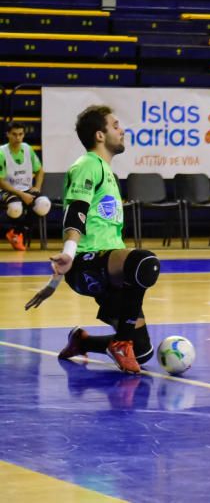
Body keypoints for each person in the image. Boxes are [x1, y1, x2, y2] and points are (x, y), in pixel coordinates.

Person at [24, 105, 161, 374]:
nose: (122, 130)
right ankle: (121, 342)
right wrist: (68, 253)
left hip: (110, 271)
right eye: (116, 125)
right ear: (100, 135)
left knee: (143, 352)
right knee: (145, 262)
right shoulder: (87, 164)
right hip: (88, 263)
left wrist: (53, 283)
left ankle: (82, 341)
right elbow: (75, 211)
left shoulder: (108, 171)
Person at [1, 122, 50, 251]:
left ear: (23, 135)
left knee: (44, 204)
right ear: (8, 134)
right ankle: (18, 233)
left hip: (26, 188)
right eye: (14, 134)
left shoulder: (27, 149)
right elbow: (1, 181)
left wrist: (37, 188)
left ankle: (16, 233)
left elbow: (40, 171)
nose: (18, 137)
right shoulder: (1, 152)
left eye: (20, 134)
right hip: (6, 189)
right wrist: (22, 194)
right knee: (15, 208)